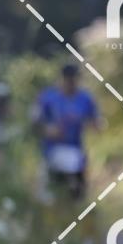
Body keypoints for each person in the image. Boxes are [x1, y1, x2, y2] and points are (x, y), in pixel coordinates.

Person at [34, 63, 102, 200]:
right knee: (51, 193)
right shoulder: (48, 97)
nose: (71, 83)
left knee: (76, 194)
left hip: (75, 153)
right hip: (51, 152)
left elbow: (98, 123)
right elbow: (35, 124)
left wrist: (89, 124)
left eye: (74, 79)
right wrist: (48, 130)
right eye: (68, 79)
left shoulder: (85, 99)